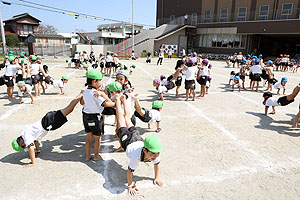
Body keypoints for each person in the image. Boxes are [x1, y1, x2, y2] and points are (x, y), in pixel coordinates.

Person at [11, 91, 84, 167]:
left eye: (23, 146)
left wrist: (32, 162)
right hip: (48, 122)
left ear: (21, 143)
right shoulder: (27, 135)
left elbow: (31, 148)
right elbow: (35, 141)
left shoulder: (26, 137)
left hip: (49, 121)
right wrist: (38, 150)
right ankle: (81, 95)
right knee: (69, 109)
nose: (25, 146)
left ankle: (81, 93)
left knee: (69, 109)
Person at [114, 94, 163, 195]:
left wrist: (157, 177)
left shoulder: (154, 154)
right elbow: (129, 171)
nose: (155, 156)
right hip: (128, 142)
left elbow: (157, 165)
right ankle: (118, 101)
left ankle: (124, 100)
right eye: (153, 154)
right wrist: (130, 185)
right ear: (145, 151)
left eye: (157, 153)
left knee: (128, 119)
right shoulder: (137, 157)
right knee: (121, 121)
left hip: (137, 138)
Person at [81, 69, 115, 161]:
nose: (101, 82)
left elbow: (83, 102)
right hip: (95, 117)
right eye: (100, 80)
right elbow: (107, 104)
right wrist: (104, 95)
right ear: (94, 81)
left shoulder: (85, 91)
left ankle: (87, 156)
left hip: (85, 116)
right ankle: (96, 156)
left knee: (89, 138)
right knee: (97, 138)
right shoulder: (95, 94)